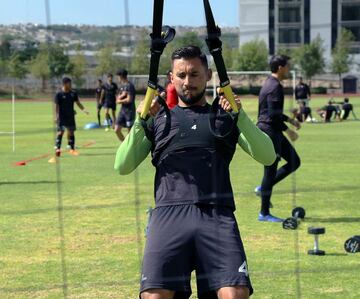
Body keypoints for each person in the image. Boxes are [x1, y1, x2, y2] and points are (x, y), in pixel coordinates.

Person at [115, 46, 276, 299]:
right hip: (169, 215)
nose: (187, 82)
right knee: (154, 296)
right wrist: (139, 122)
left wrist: (239, 115)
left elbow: (268, 156)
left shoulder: (223, 116)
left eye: (194, 74)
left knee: (235, 293)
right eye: (181, 75)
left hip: (216, 214)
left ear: (209, 75)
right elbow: (122, 166)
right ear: (171, 78)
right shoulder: (158, 119)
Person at [256, 55, 301, 222]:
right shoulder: (274, 87)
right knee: (270, 171)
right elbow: (273, 117)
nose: (289, 69)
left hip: (272, 130)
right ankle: (264, 213)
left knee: (294, 161)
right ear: (280, 67)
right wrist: (289, 130)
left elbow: (273, 112)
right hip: (270, 131)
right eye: (288, 66)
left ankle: (263, 188)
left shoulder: (271, 83)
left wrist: (290, 120)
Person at [53, 77, 89, 158]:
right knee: (60, 132)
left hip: (70, 116)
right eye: (69, 83)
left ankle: (72, 149)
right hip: (62, 117)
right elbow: (56, 107)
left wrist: (84, 110)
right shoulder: (59, 94)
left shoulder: (73, 93)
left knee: (71, 132)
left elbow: (78, 103)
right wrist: (57, 116)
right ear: (65, 84)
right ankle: (57, 149)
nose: (71, 85)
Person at [115, 69, 136, 142]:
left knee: (129, 132)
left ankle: (129, 148)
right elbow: (118, 97)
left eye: (118, 76)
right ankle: (124, 145)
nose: (118, 78)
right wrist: (121, 96)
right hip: (122, 111)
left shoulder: (130, 86)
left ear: (121, 76)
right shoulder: (122, 86)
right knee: (117, 129)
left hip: (129, 111)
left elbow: (129, 100)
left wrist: (120, 100)